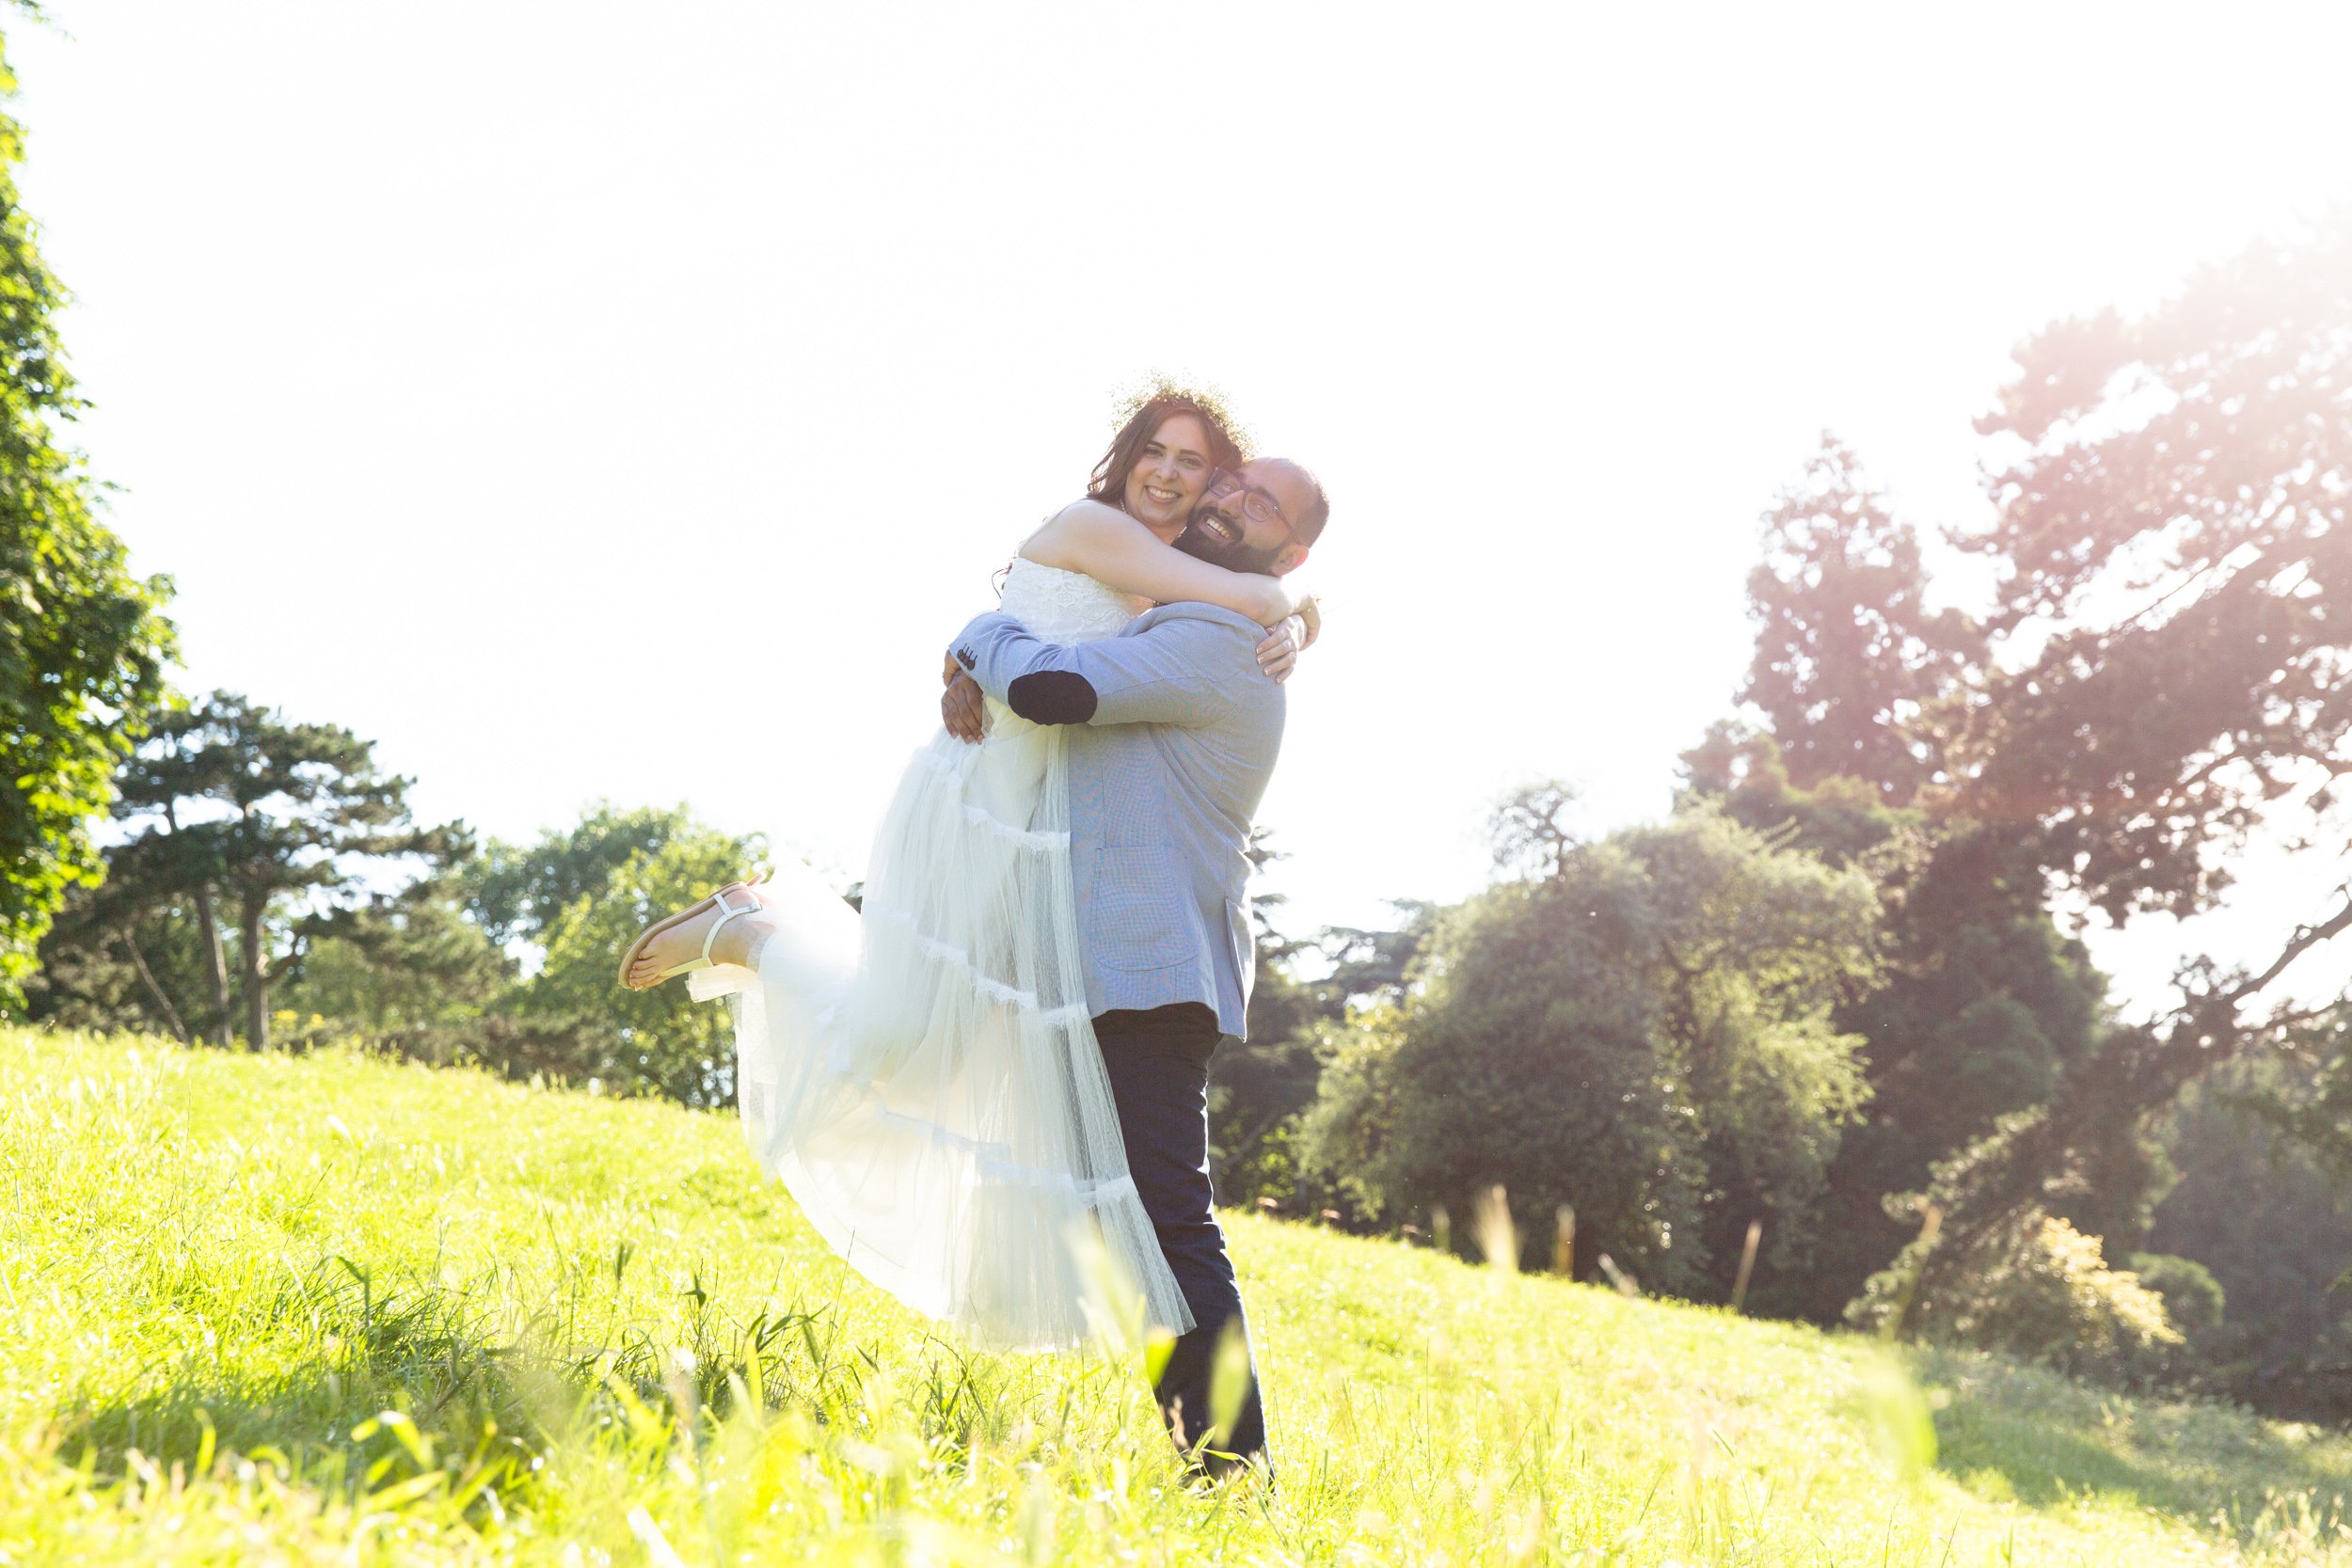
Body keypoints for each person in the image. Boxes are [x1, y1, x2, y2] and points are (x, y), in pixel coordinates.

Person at [615, 392, 1317, 1371]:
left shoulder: (1189, 609)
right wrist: (1284, 601)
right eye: (1162, 455)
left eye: (1203, 468)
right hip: (991, 803)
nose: (1182, 479)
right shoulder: (1111, 542)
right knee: (914, 1042)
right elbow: (1062, 676)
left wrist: (1293, 604)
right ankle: (756, 927)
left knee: (1081, 1166)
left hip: (1058, 859)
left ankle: (1217, 1460)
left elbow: (1182, 624)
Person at [945, 451, 1326, 1478]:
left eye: (1263, 504)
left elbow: (1052, 686)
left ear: (1286, 551)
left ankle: (1233, 1469)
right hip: (1112, 956)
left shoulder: (1218, 632)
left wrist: (974, 633)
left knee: (1164, 1216)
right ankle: (1211, 1457)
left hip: (1148, 962)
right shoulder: (1192, 611)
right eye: (1234, 480)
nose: (1230, 498)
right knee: (1134, 1219)